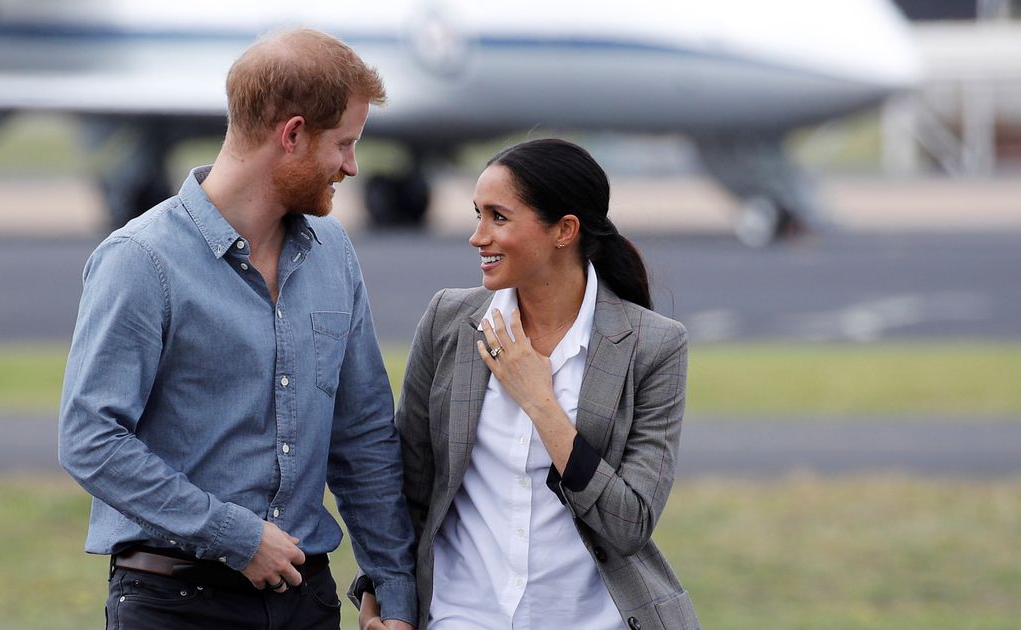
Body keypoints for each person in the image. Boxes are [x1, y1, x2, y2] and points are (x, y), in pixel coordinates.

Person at [58, 28, 417, 630]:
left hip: (308, 600)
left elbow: (364, 440)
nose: (353, 167)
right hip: (174, 607)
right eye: (345, 144)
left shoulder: (334, 252)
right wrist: (235, 535)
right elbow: (90, 438)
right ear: (294, 133)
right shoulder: (141, 260)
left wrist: (395, 592)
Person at [353, 139, 699, 630]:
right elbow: (408, 487)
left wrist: (540, 402)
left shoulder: (655, 346)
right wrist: (385, 594)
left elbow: (631, 525)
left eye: (498, 217)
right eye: (478, 215)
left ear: (564, 230)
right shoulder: (448, 321)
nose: (477, 236)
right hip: (461, 617)